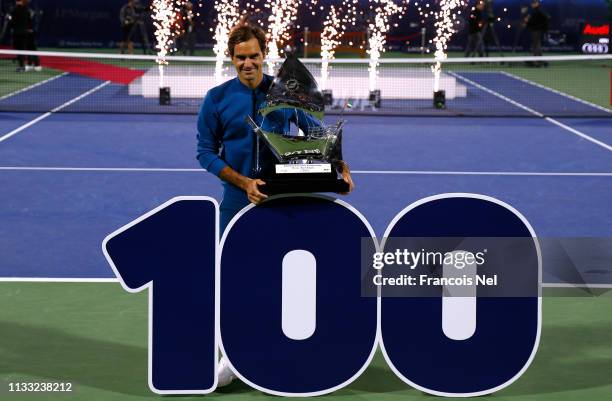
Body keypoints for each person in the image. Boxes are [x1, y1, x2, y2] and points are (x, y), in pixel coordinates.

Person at [197, 20, 354, 239]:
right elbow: (205, 152)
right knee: (229, 268)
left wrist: (341, 168)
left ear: (263, 56)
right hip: (236, 198)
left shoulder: (283, 94)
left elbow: (318, 134)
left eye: (254, 56)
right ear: (232, 58)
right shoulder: (216, 98)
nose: (248, 63)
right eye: (241, 58)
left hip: (280, 197)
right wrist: (245, 183)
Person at [8, 0, 40, 72]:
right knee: (31, 48)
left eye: (18, 1)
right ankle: (34, 65)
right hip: (26, 32)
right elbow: (29, 21)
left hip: (19, 33)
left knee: (22, 50)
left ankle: (24, 66)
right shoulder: (27, 10)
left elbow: (11, 21)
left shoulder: (14, 10)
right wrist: (31, 29)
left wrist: (9, 20)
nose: (16, 2)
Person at [524, 0, 549, 66]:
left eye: (534, 3)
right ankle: (540, 61)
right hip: (535, 30)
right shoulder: (535, 12)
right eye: (532, 3)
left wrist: (527, 21)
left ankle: (537, 62)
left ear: (537, 4)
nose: (532, 4)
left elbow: (545, 18)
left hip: (537, 31)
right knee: (537, 45)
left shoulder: (538, 12)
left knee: (536, 46)